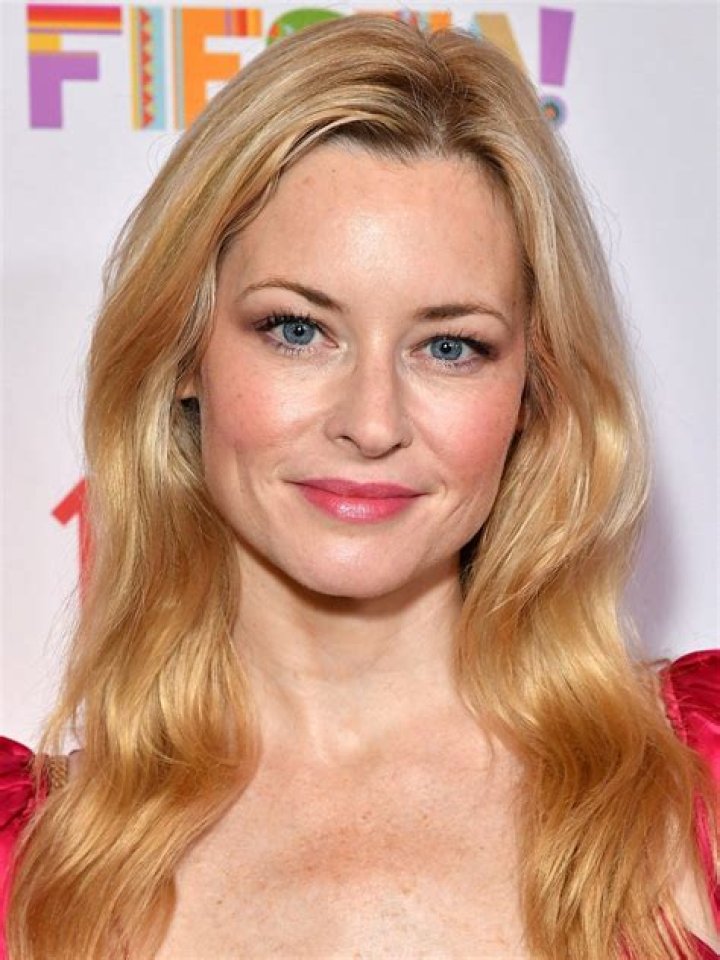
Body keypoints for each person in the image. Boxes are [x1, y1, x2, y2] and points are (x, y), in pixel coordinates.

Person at [0, 14, 717, 960]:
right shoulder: (25, 867)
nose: (372, 422)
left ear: (534, 392)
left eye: (449, 346)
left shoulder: (701, 775)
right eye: (298, 330)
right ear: (182, 353)